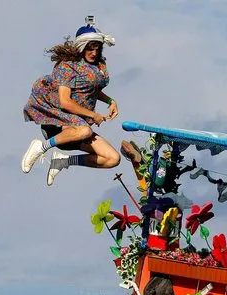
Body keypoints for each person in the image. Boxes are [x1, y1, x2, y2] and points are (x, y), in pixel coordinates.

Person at [22, 21, 141, 186]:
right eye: (90, 48)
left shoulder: (97, 67)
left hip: (77, 129)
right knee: (85, 130)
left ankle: (63, 162)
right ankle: (41, 147)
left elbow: (90, 90)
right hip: (58, 123)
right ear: (82, 46)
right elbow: (65, 102)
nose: (94, 52)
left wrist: (110, 101)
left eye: (98, 48)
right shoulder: (67, 67)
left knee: (112, 159)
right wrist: (93, 115)